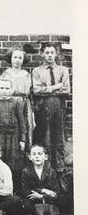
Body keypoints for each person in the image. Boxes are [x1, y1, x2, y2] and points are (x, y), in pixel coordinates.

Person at [32, 42, 70, 172]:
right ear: (42, 54)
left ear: (56, 54)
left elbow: (66, 90)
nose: (49, 55)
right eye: (47, 52)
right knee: (45, 137)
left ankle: (59, 170)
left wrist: (47, 89)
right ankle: (46, 169)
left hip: (59, 107)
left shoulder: (63, 70)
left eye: (52, 52)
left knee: (58, 138)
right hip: (43, 108)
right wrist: (55, 87)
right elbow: (36, 90)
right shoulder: (37, 71)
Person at [0, 78, 26, 190]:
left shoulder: (16, 103)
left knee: (13, 162)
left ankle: (14, 188)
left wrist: (22, 139)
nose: (4, 91)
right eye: (1, 88)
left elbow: (21, 121)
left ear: (11, 90)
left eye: (7, 88)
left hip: (13, 136)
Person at [21, 144, 61, 215]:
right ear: (30, 157)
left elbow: (55, 192)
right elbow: (25, 190)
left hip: (47, 199)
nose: (37, 157)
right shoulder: (26, 171)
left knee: (59, 200)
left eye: (40, 154)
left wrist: (42, 196)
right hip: (32, 198)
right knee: (26, 204)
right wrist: (43, 190)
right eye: (34, 154)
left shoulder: (51, 172)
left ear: (46, 157)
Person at [2, 45, 35, 150]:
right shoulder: (6, 74)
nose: (17, 60)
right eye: (15, 57)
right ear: (10, 59)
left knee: (26, 127)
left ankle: (25, 155)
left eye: (20, 58)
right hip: (10, 103)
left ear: (23, 59)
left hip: (24, 104)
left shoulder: (26, 75)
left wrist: (32, 112)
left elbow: (30, 94)